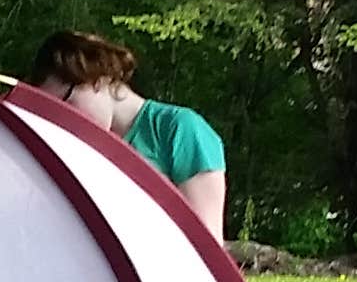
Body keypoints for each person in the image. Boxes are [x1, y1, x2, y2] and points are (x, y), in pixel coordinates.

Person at [28, 29, 229, 240]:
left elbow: (209, 245)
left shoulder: (179, 129)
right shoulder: (79, 153)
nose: (64, 120)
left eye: (66, 102)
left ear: (98, 76)